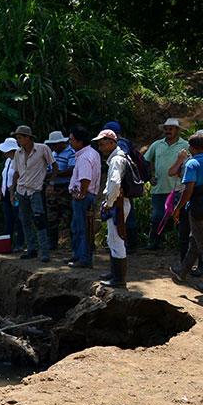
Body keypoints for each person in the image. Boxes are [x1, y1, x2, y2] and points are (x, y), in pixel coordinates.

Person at [170, 134, 203, 292]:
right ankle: (182, 271)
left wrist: (178, 208)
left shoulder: (192, 163)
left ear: (191, 148)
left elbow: (188, 190)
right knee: (196, 241)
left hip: (198, 210)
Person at [9, 125, 55, 262]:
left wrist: (51, 183)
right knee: (25, 219)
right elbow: (16, 172)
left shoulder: (42, 149)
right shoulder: (18, 153)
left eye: (20, 138)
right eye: (17, 138)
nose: (18, 141)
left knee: (39, 219)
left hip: (36, 189)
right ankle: (31, 249)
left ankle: (44, 251)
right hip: (22, 189)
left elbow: (54, 164)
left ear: (28, 138)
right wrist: (12, 192)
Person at [144, 118, 189, 250]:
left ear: (177, 130)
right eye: (166, 129)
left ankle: (181, 244)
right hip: (160, 187)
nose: (168, 131)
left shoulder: (185, 145)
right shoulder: (157, 145)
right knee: (157, 216)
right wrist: (149, 177)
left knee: (180, 216)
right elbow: (144, 160)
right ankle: (154, 243)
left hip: (178, 188)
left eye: (171, 129)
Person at [94, 128, 129, 288]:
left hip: (118, 203)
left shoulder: (116, 160)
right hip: (120, 202)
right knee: (113, 237)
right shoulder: (120, 157)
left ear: (111, 143)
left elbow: (115, 183)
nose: (100, 148)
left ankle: (119, 279)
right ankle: (115, 274)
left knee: (116, 239)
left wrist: (109, 202)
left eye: (102, 145)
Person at [103, 120, 139, 249]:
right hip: (126, 189)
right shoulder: (126, 144)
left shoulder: (118, 152)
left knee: (119, 229)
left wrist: (110, 202)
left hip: (120, 193)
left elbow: (115, 179)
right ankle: (131, 244)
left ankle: (130, 245)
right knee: (128, 217)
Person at [67, 126, 100, 269]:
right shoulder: (91, 153)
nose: (70, 142)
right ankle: (78, 255)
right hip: (86, 196)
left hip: (84, 197)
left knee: (82, 228)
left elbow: (85, 178)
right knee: (78, 227)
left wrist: (81, 194)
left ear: (80, 142)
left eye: (72, 140)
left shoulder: (85, 157)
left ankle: (84, 258)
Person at [44, 130, 75, 251]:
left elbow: (71, 169)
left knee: (68, 216)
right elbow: (47, 168)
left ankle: (74, 244)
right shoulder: (52, 153)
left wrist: (55, 174)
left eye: (55, 144)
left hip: (65, 188)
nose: (53, 146)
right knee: (51, 216)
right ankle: (52, 244)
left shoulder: (70, 153)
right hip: (53, 187)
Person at [0, 136, 25, 252]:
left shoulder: (19, 161)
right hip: (6, 195)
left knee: (19, 218)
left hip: (16, 194)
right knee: (8, 220)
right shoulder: (7, 161)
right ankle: (8, 244)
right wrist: (1, 190)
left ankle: (20, 243)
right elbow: (5, 178)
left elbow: (21, 178)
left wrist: (13, 190)